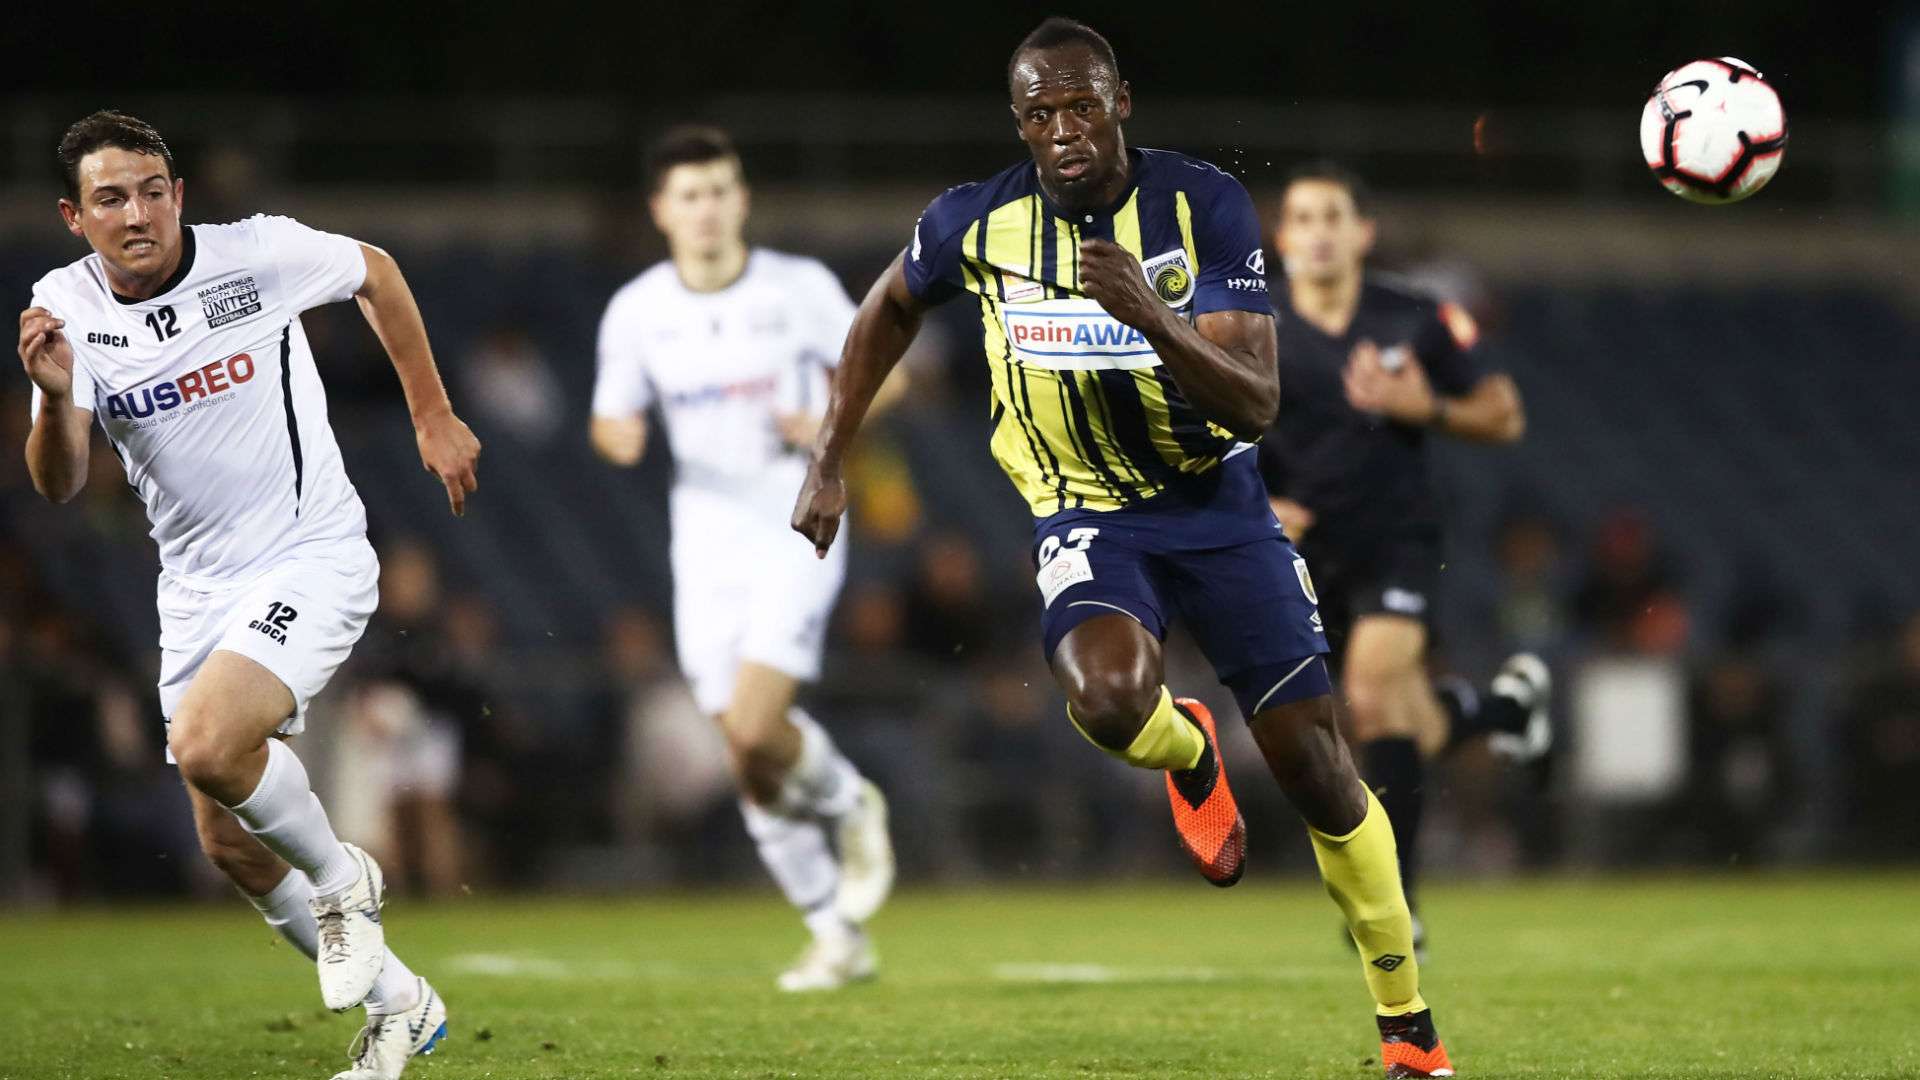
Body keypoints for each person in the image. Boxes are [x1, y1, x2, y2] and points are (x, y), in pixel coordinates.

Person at [791, 21, 1452, 1077]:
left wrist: (1152, 314)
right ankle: (1188, 751)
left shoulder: (1205, 206)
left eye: (1081, 107)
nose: (1063, 132)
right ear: (1020, 123)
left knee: (1319, 771)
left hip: (1222, 510)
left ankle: (1407, 1023)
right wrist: (830, 457)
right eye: (1041, 114)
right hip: (1085, 513)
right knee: (1105, 701)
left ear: (1121, 103)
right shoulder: (975, 221)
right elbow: (884, 312)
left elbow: (1259, 402)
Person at [16, 110, 480, 1080]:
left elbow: (378, 272)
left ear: (178, 194)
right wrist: (59, 398)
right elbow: (57, 484)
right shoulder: (65, 307)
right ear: (74, 216)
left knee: (207, 745)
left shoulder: (259, 254)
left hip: (309, 554)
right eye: (110, 198)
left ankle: (342, 876)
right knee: (226, 842)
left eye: (152, 190)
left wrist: (431, 413)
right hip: (195, 593)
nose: (136, 212)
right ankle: (401, 1006)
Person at [591, 126, 900, 992]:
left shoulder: (797, 289)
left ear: (743, 198)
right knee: (741, 748)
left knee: (760, 725)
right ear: (662, 210)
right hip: (705, 533)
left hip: (796, 515)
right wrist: (618, 436)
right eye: (689, 195)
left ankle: (847, 801)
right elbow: (611, 421)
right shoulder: (639, 310)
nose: (707, 208)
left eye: (720, 190)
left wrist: (836, 419)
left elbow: (894, 372)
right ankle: (836, 934)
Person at [1265, 162, 1552, 951]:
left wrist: (1423, 405)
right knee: (1382, 720)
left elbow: (1504, 413)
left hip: (1398, 536)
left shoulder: (1418, 317)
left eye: (1334, 217)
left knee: (1370, 692)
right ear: (1282, 237)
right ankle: (1498, 712)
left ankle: (1401, 907)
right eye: (1304, 218)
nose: (1319, 232)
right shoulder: (1249, 327)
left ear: (1363, 234)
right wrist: (1259, 509)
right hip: (1300, 549)